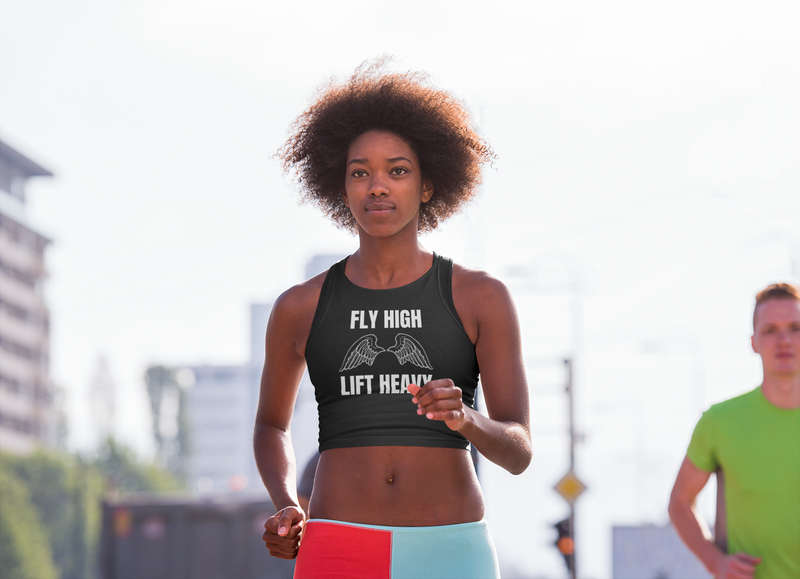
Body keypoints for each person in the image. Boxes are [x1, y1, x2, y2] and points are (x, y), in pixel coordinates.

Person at [253, 60, 531, 579]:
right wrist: (287, 503)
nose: (377, 186)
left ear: (427, 186)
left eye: (397, 171)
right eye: (360, 172)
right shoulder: (300, 307)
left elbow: (519, 452)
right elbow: (271, 424)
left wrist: (467, 418)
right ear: (341, 189)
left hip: (451, 551)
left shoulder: (480, 297)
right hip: (336, 547)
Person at [668, 282, 800, 579]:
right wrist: (715, 562)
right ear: (754, 342)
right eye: (770, 330)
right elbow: (680, 503)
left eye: (795, 328)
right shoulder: (720, 422)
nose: (784, 340)